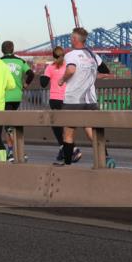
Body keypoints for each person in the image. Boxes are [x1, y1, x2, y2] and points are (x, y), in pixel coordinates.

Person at [59, 27, 109, 166]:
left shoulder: (71, 55)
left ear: (75, 39)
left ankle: (67, 163)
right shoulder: (93, 55)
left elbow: (71, 69)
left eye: (71, 38)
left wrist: (63, 79)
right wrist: (91, 75)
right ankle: (105, 158)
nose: (70, 40)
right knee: (92, 132)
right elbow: (105, 71)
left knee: (68, 134)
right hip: (91, 101)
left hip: (73, 100)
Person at [1, 41, 34, 162]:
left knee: (8, 126)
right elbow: (31, 74)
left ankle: (20, 152)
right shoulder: (21, 61)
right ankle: (10, 152)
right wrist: (25, 85)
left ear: (2, 50)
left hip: (5, 97)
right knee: (8, 125)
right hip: (17, 96)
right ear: (13, 49)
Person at [39, 47, 69, 161]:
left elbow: (43, 84)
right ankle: (65, 150)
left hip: (55, 99)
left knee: (56, 125)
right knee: (67, 125)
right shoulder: (68, 65)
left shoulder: (50, 67)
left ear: (53, 56)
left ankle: (63, 147)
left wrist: (43, 75)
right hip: (67, 99)